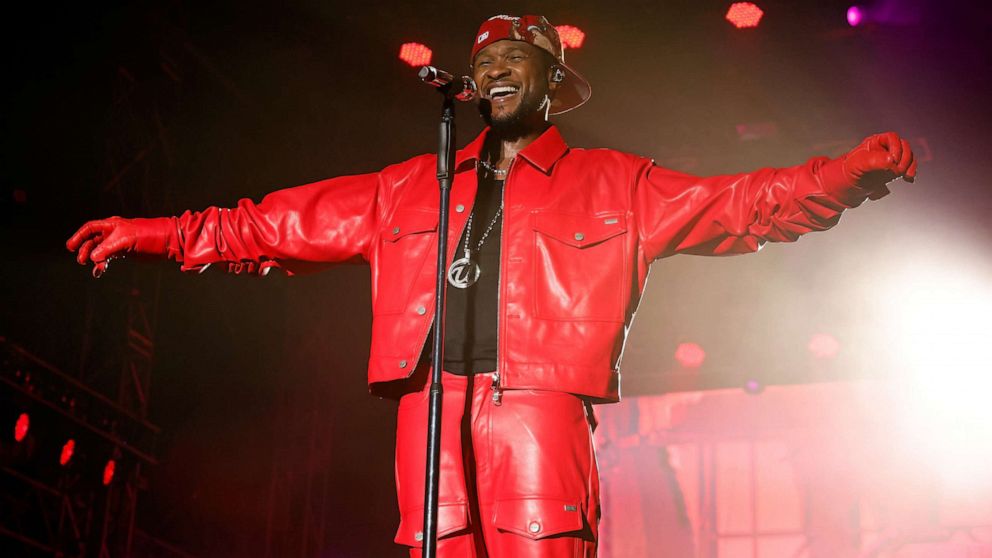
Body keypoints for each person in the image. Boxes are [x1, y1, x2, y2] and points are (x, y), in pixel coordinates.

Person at [66, 14, 917, 558]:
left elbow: (737, 206)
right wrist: (149, 233)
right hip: (429, 405)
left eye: (519, 57)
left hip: (537, 404)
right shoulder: (409, 186)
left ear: (553, 82)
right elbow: (270, 225)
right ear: (472, 87)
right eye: (488, 59)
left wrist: (839, 175)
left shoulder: (613, 181)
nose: (499, 67)